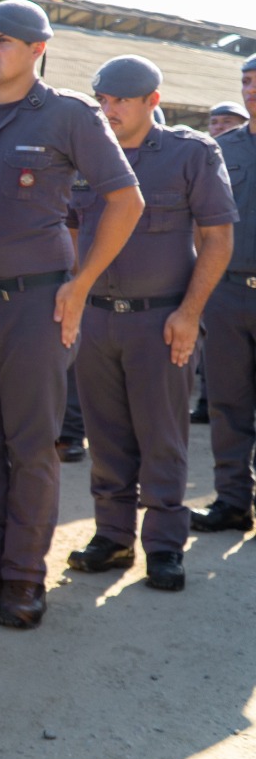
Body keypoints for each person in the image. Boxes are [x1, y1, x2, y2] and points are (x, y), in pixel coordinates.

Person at [0, 0, 142, 630]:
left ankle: (22, 576)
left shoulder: (69, 115)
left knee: (30, 445)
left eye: (5, 42)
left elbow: (125, 201)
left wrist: (82, 285)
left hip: (34, 303)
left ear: (37, 50)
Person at [65, 56, 234, 592]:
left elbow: (217, 239)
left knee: (162, 438)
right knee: (106, 435)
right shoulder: (84, 154)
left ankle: (164, 545)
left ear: (151, 102)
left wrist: (189, 314)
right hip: (95, 321)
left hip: (159, 320)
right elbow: (70, 232)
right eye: (104, 100)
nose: (108, 110)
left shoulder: (191, 153)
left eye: (120, 101)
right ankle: (113, 537)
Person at [196, 54, 256, 534]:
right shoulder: (221, 150)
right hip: (228, 292)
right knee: (226, 402)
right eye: (246, 82)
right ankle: (232, 501)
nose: (251, 90)